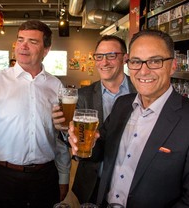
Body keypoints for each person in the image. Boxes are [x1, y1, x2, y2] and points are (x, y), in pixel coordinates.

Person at [68, 29, 189, 207]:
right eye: (136, 62)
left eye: (155, 61)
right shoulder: (122, 104)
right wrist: (86, 143)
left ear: (173, 66)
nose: (143, 71)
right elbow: (101, 148)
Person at [0, 20, 71, 208]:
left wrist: (64, 177)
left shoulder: (55, 86)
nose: (23, 46)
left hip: (45, 176)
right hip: (4, 177)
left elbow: (59, 138)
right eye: (20, 40)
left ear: (46, 50)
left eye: (33, 41)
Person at [52, 35, 136, 204]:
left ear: (125, 58)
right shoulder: (83, 95)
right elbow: (74, 139)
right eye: (99, 56)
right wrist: (63, 130)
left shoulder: (140, 91)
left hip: (132, 179)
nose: (104, 62)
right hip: (93, 181)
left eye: (111, 56)